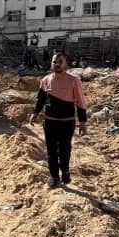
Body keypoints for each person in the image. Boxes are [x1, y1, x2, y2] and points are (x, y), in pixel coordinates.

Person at [28, 53, 88, 188]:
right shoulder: (45, 80)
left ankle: (65, 171)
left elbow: (80, 102)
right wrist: (35, 113)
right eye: (55, 61)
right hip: (50, 121)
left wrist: (82, 122)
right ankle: (54, 176)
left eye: (60, 62)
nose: (57, 64)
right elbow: (41, 100)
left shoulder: (74, 81)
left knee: (65, 149)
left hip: (67, 122)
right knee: (51, 151)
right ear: (51, 63)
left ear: (66, 64)